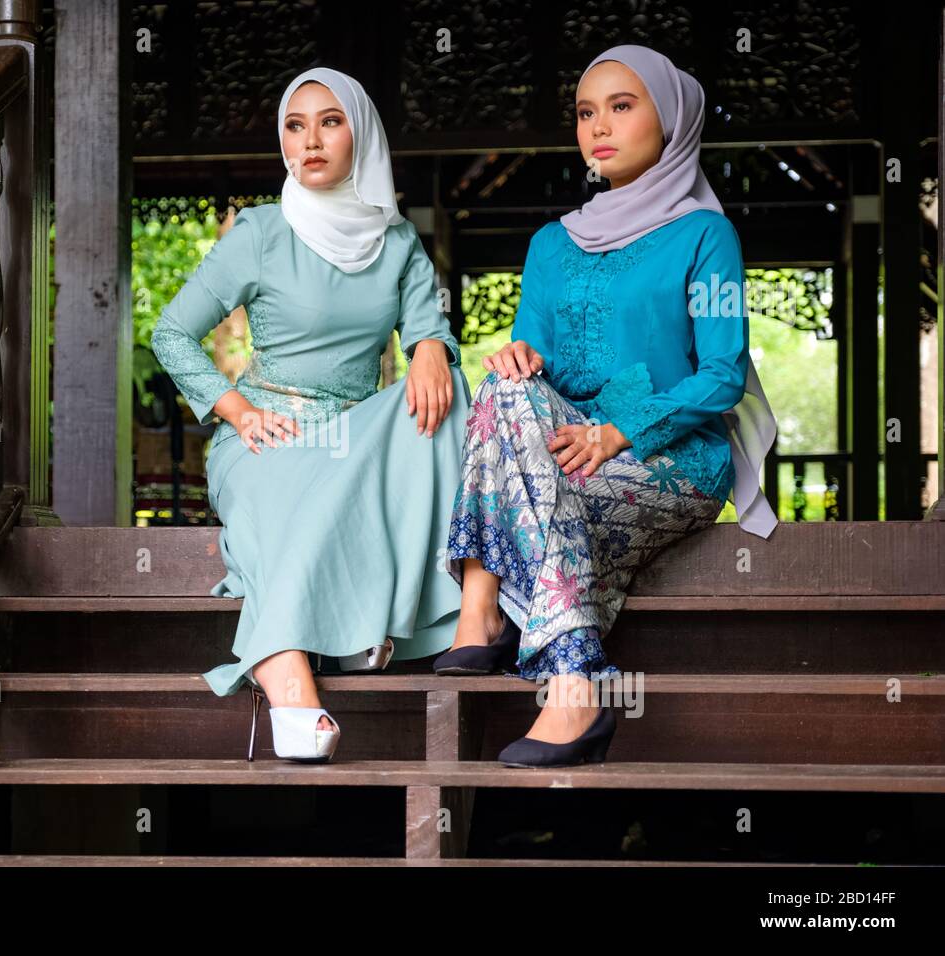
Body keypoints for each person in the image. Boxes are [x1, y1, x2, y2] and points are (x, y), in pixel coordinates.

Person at [437, 44, 779, 768]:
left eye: (622, 106)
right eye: (586, 112)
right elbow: (530, 361)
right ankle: (573, 685)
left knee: (532, 503)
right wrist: (516, 357)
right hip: (560, 448)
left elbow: (722, 376)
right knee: (504, 382)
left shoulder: (705, 235)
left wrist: (621, 431)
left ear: (672, 118)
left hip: (669, 454)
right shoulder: (548, 244)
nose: (599, 126)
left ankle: (485, 603)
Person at [151, 67, 471, 762]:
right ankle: (289, 675)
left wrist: (430, 349)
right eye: (295, 126)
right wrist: (233, 410)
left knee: (454, 400)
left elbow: (430, 334)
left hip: (354, 434)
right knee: (286, 493)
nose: (310, 140)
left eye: (330, 121)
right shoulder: (262, 232)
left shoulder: (396, 245)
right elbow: (171, 332)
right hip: (267, 430)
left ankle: (396, 627)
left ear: (362, 133)